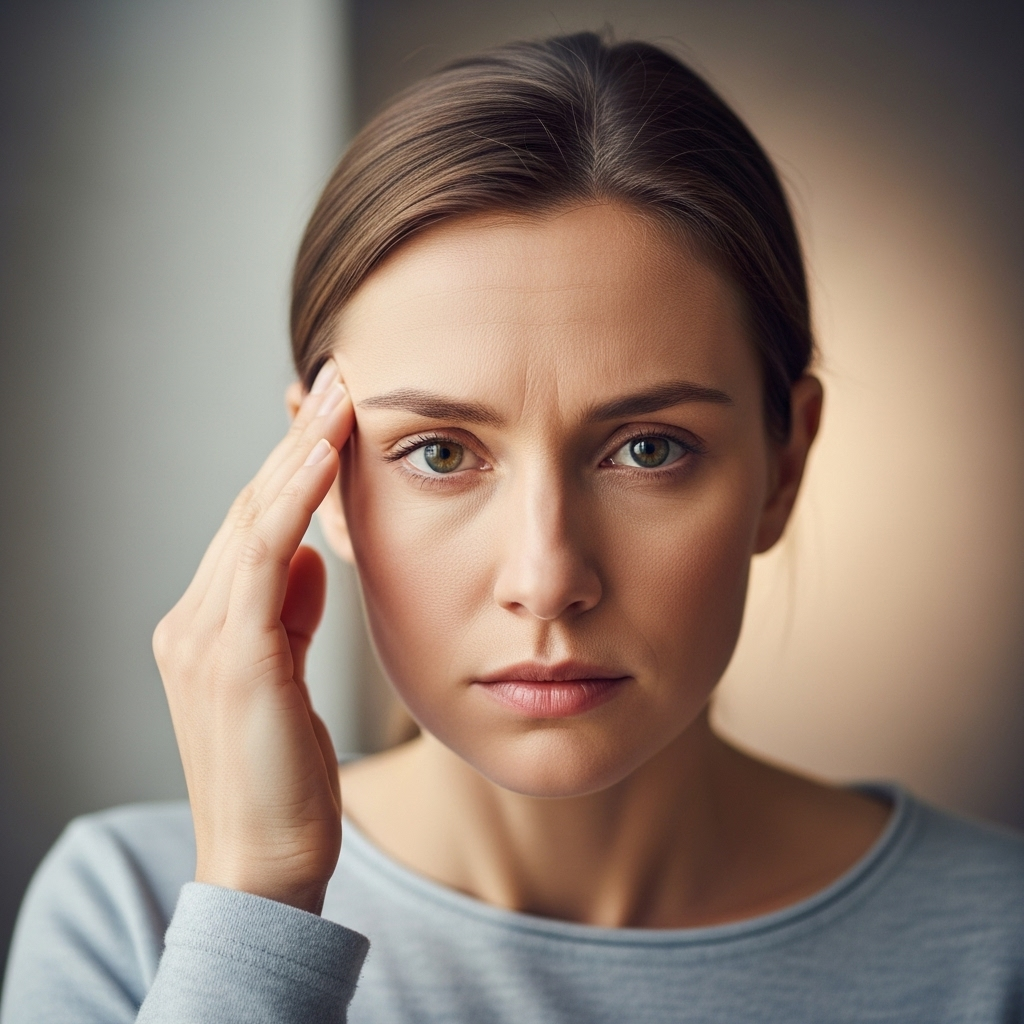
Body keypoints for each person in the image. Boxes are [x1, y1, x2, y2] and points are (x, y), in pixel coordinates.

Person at [2, 31, 1022, 1024]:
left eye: (649, 448)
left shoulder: (998, 944)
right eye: (440, 452)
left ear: (783, 463)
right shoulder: (133, 919)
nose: (546, 578)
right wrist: (257, 916)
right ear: (323, 476)